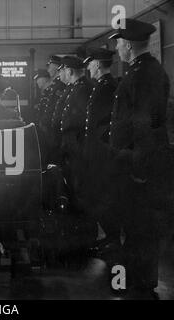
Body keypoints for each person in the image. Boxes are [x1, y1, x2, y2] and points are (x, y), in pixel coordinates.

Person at [108, 18, 171, 298]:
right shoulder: (143, 71)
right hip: (134, 162)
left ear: (130, 45)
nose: (118, 47)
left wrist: (138, 167)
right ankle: (137, 278)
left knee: (142, 225)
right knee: (135, 225)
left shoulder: (145, 75)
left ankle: (142, 283)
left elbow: (146, 126)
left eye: (120, 42)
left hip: (141, 167)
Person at [82, 47, 119, 257]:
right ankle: (110, 237)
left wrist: (100, 147)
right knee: (99, 195)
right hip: (96, 150)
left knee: (105, 196)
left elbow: (107, 122)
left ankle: (114, 239)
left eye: (90, 63)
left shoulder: (107, 87)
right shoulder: (101, 86)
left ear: (97, 65)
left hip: (102, 152)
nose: (88, 67)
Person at [58, 56, 93, 212]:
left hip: (77, 142)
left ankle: (84, 219)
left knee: (79, 182)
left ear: (70, 71)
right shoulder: (76, 87)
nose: (62, 73)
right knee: (72, 180)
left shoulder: (83, 88)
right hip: (71, 142)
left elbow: (82, 120)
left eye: (64, 70)